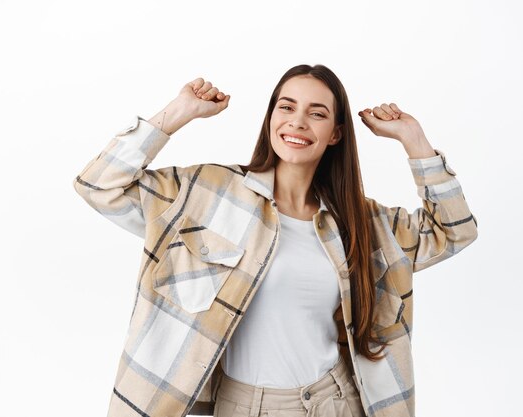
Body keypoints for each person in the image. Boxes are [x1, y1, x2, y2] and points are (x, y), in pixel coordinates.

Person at [73, 64, 478, 417]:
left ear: (336, 134)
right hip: (244, 405)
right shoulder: (207, 192)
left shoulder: (362, 222)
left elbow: (454, 230)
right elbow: (99, 185)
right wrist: (178, 113)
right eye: (286, 107)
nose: (298, 122)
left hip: (336, 401)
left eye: (316, 114)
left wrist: (414, 140)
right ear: (270, 119)